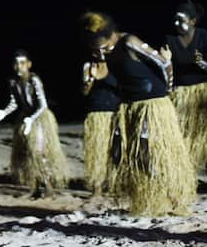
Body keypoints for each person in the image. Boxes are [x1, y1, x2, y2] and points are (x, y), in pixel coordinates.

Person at [81, 11, 195, 216]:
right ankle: (153, 198)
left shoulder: (129, 41)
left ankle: (176, 199)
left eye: (102, 44)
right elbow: (108, 77)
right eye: (95, 45)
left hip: (152, 105)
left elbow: (163, 62)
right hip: (130, 107)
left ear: (111, 34)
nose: (100, 48)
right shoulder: (103, 52)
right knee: (133, 156)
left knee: (157, 153)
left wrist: (168, 89)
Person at [0, 50, 67, 197]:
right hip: (25, 119)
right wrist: (3, 113)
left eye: (22, 63)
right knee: (27, 153)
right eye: (16, 63)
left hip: (39, 119)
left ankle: (48, 186)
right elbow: (14, 103)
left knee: (39, 151)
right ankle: (37, 187)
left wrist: (32, 119)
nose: (19, 66)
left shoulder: (34, 80)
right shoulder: (14, 82)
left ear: (29, 64)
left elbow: (43, 105)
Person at [164, 0, 207, 186]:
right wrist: (170, 87)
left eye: (180, 20)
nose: (176, 24)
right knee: (184, 135)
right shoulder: (170, 39)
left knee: (206, 136)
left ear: (192, 21)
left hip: (203, 92)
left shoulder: (204, 36)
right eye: (174, 20)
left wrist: (202, 64)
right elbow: (168, 66)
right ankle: (187, 177)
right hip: (181, 93)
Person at [80, 44, 122, 197]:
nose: (101, 52)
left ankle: (114, 184)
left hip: (115, 112)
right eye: (97, 49)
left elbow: (122, 88)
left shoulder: (117, 65)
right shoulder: (89, 66)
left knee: (115, 150)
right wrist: (91, 77)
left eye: (104, 49)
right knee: (97, 151)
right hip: (96, 113)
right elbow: (84, 91)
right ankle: (97, 187)